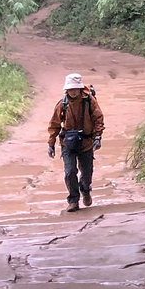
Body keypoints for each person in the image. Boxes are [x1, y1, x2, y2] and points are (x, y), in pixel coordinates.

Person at [46, 72, 105, 211]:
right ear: (67, 90)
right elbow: (54, 124)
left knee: (87, 172)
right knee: (70, 172)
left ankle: (85, 190)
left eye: (75, 89)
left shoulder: (89, 101)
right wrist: (51, 144)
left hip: (86, 142)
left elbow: (98, 119)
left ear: (79, 89)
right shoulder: (62, 104)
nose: (72, 92)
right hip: (68, 143)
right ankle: (73, 200)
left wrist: (98, 137)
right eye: (70, 89)